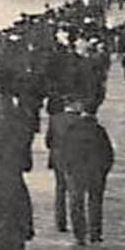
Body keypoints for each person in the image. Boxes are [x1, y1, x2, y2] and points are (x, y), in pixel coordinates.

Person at [57, 106, 116, 245]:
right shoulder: (99, 131)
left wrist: (66, 168)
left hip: (76, 170)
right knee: (95, 201)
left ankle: (79, 234)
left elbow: (64, 151)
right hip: (96, 171)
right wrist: (105, 170)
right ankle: (95, 232)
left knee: (76, 202)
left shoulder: (72, 130)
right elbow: (108, 154)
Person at [44, 98, 77, 234]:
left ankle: (60, 222)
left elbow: (48, 141)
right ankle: (76, 222)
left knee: (60, 189)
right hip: (74, 159)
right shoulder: (79, 121)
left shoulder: (55, 119)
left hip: (58, 157)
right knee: (74, 191)